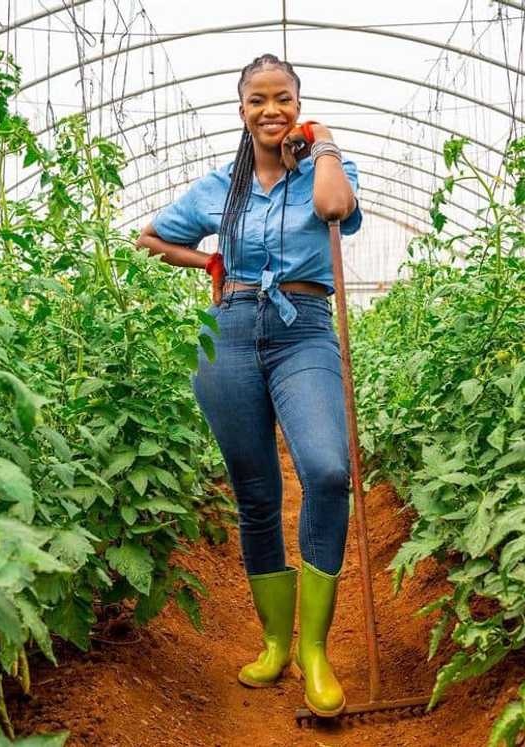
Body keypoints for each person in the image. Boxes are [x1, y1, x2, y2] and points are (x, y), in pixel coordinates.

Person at [135, 52, 363, 718]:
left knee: (326, 470)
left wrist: (323, 143)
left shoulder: (328, 168)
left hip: (304, 328)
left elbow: (334, 207)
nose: (272, 109)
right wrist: (208, 257)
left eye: (283, 98)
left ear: (298, 103)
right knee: (256, 493)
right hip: (229, 334)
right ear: (242, 110)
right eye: (258, 99)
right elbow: (148, 239)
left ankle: (316, 650)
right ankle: (274, 644)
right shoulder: (217, 189)